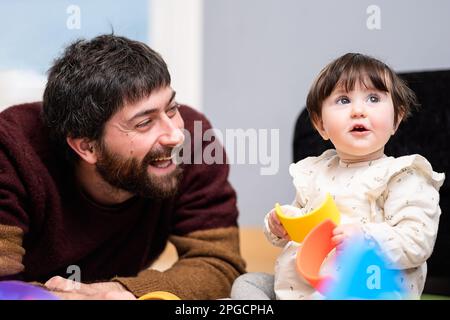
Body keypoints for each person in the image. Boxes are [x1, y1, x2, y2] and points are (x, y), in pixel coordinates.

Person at [0, 34, 246, 299]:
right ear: (87, 147)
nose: (175, 135)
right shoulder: (11, 152)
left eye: (172, 108)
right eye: (144, 123)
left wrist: (121, 292)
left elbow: (219, 263)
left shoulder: (195, 141)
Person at [230, 53, 445, 300]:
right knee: (247, 285)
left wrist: (366, 238)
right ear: (321, 124)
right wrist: (280, 225)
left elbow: (417, 242)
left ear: (396, 118)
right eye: (343, 100)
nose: (358, 110)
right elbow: (300, 223)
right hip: (300, 287)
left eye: (373, 98)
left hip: (366, 290)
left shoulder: (403, 175)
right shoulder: (314, 172)